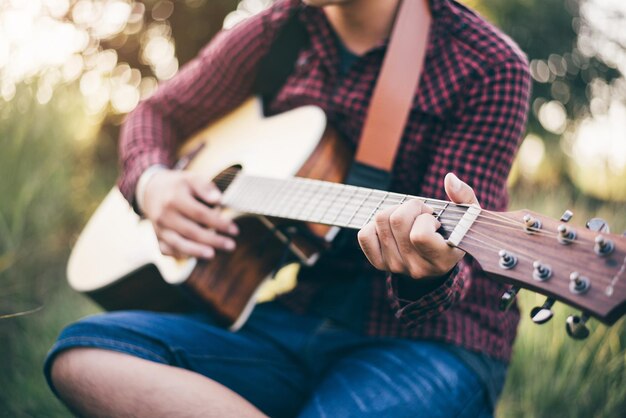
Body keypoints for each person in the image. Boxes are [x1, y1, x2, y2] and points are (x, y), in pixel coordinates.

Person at [45, 0, 531, 416]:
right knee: (83, 357)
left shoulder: (486, 63)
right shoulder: (282, 26)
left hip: (433, 344)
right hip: (302, 313)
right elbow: (156, 114)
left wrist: (427, 269)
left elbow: (450, 270)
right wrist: (152, 183)